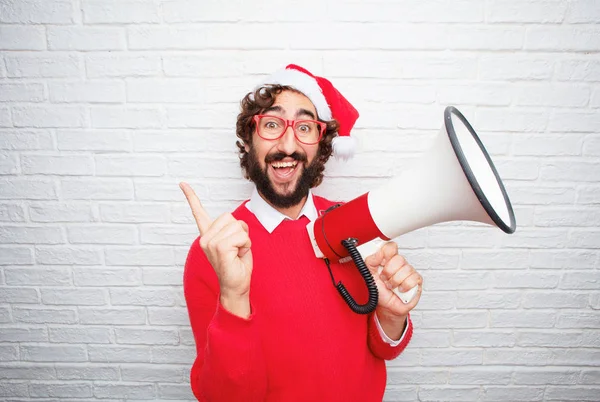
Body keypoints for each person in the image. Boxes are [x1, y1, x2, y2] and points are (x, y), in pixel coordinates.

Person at [180, 64, 423, 402]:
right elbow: (223, 396)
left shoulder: (351, 222)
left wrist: (391, 316)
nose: (288, 144)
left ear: (321, 146)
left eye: (305, 127)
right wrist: (233, 296)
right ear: (248, 141)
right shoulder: (214, 253)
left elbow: (383, 349)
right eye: (272, 124)